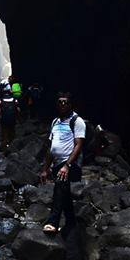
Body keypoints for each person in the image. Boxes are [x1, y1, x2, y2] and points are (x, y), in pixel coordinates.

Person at [38, 92, 85, 233]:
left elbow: (78, 145)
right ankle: (71, 222)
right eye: (60, 102)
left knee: (59, 188)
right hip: (58, 163)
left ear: (71, 104)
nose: (63, 104)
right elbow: (51, 147)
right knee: (64, 192)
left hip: (71, 163)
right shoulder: (55, 122)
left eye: (65, 102)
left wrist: (67, 166)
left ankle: (53, 222)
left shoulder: (77, 121)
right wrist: (45, 169)